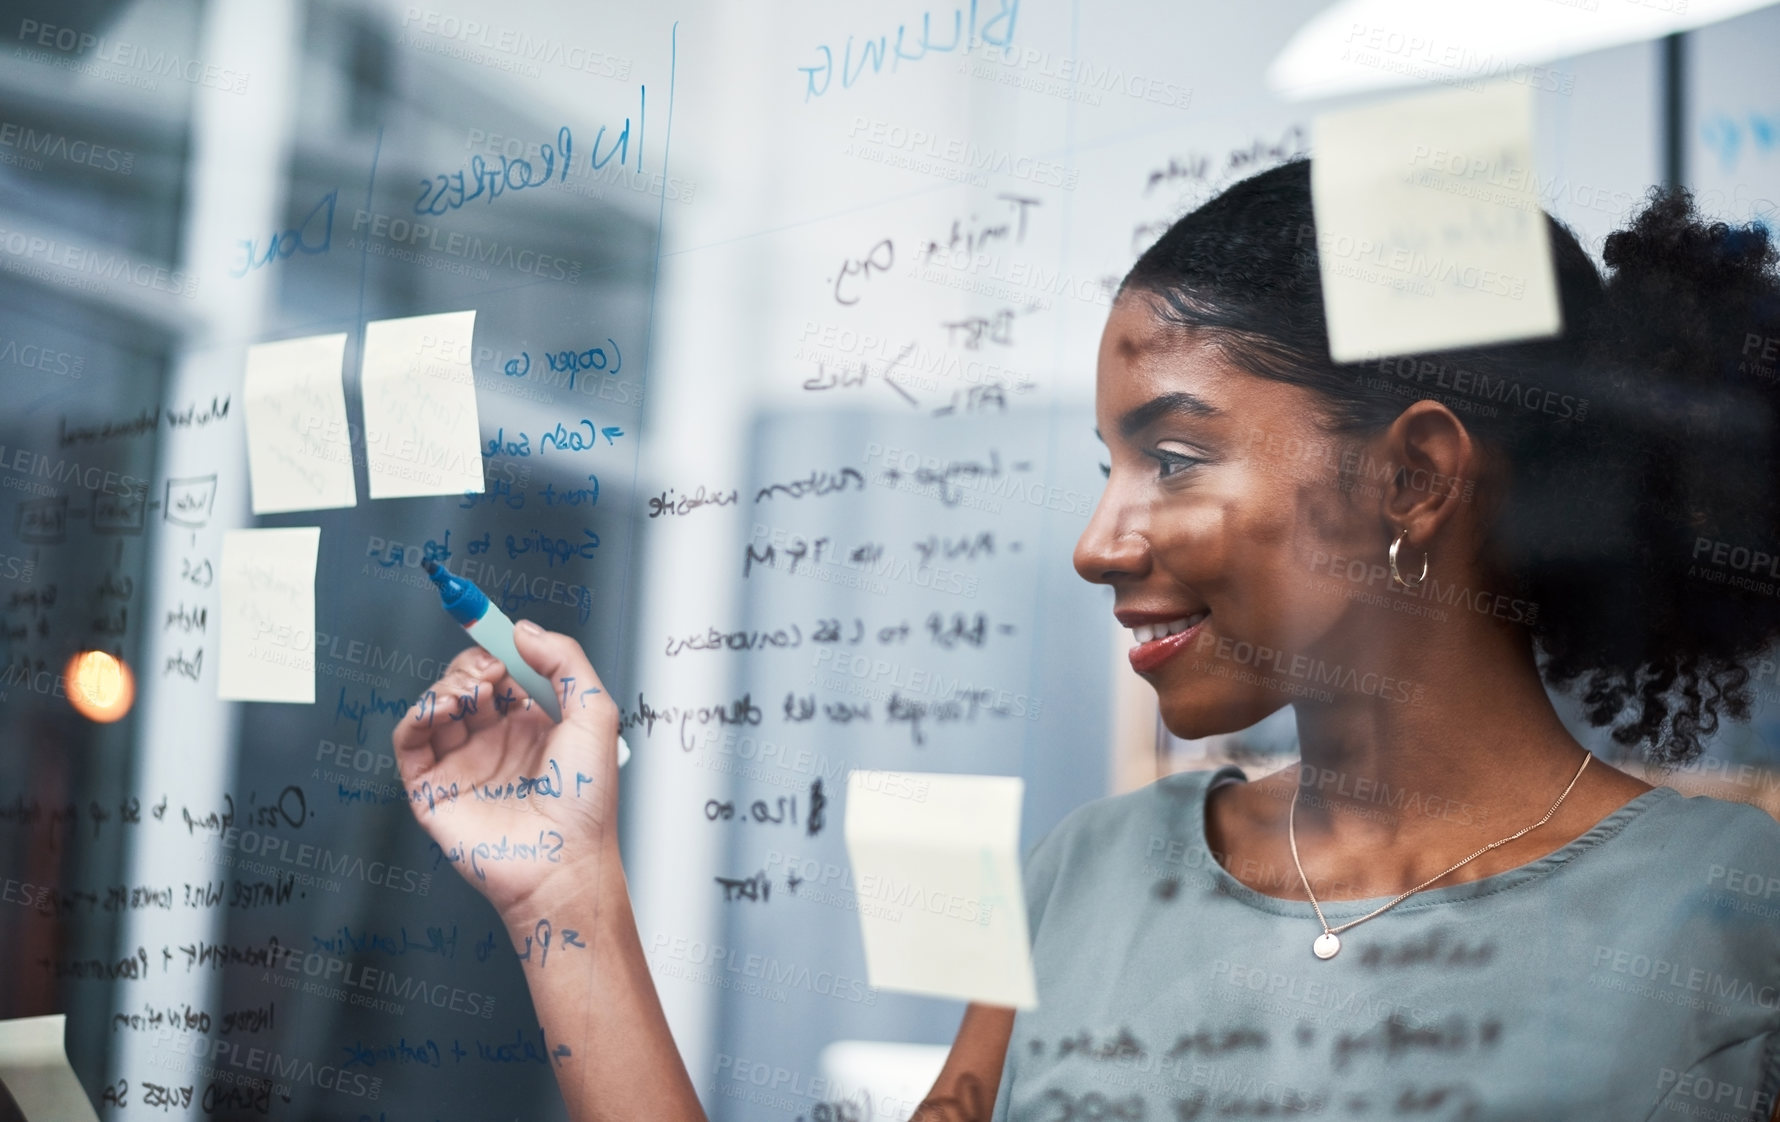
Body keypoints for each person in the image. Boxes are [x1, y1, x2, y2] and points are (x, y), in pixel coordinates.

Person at [393, 159, 1780, 1121]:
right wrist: (561, 897)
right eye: (1109, 467)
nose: (1098, 541)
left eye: (1173, 457)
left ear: (1412, 479)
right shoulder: (1088, 880)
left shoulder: (1739, 914)